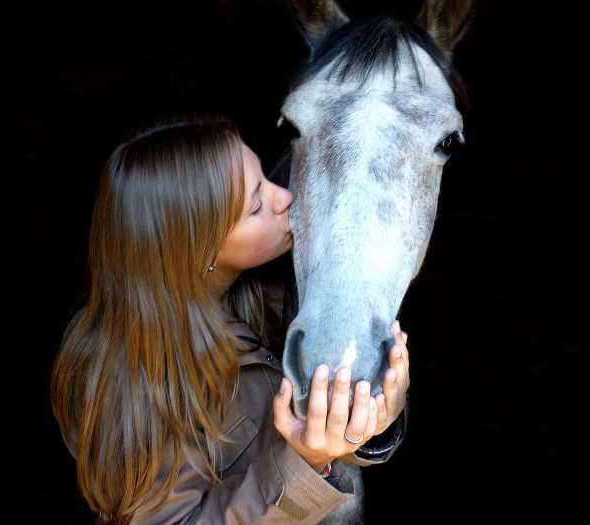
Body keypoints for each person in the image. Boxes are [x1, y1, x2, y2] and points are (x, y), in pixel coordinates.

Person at [50, 117, 410, 524]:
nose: (285, 198)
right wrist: (304, 463)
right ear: (198, 248)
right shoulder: (135, 385)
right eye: (256, 205)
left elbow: (335, 439)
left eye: (264, 179)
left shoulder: (271, 298)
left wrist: (374, 418)